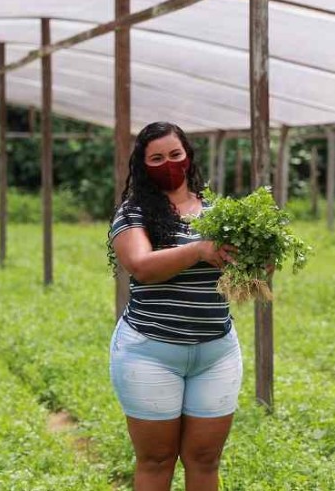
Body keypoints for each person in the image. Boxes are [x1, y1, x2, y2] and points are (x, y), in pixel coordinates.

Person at [107, 121, 241, 491]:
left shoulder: (219, 212)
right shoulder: (134, 213)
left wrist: (259, 257)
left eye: (175, 154)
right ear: (142, 164)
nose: (168, 163)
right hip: (150, 352)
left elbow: (245, 265)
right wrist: (199, 249)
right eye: (157, 158)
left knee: (204, 460)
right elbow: (141, 267)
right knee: (156, 460)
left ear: (188, 156)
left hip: (216, 352)